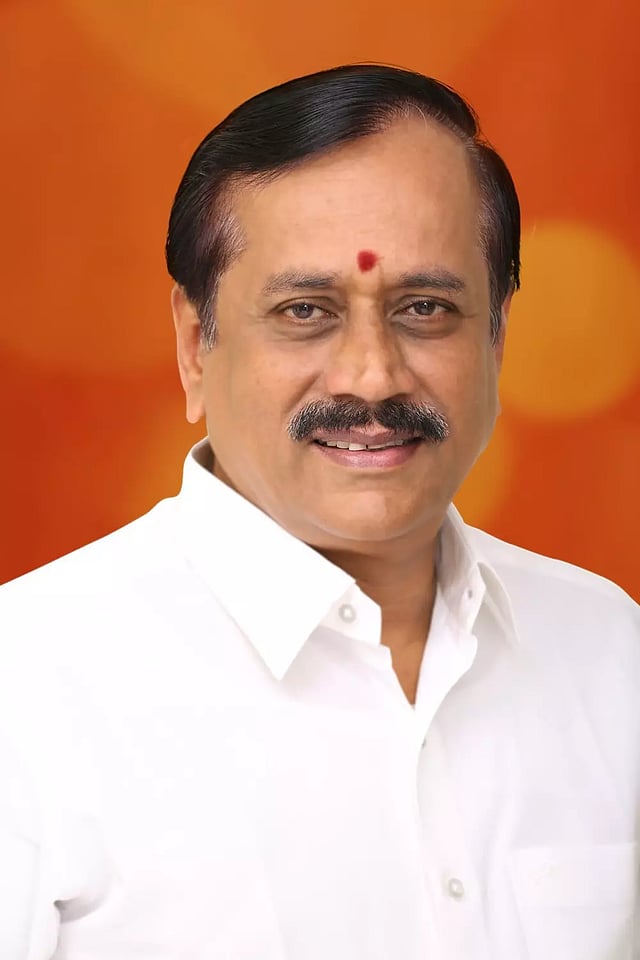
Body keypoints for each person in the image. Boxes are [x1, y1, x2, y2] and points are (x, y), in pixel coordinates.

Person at [0, 63, 638, 960]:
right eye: (305, 311)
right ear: (195, 345)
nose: (371, 376)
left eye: (425, 308)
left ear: (497, 337)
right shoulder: (27, 690)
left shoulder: (610, 653)